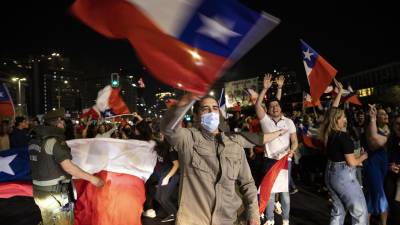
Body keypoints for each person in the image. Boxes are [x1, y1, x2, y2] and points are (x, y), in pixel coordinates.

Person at [161, 94, 261, 225]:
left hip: (229, 219)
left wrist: (253, 214)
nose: (211, 112)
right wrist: (183, 103)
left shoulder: (234, 142)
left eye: (214, 108)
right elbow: (168, 129)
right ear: (196, 116)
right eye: (205, 109)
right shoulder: (187, 139)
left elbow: (247, 183)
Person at [28, 108, 104, 225]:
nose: (63, 123)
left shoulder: (34, 140)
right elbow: (68, 167)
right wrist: (93, 179)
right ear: (58, 121)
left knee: (49, 221)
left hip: (40, 192)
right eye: (62, 120)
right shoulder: (54, 142)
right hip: (55, 194)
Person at [320, 80, 368, 225]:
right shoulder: (343, 137)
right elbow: (352, 162)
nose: (345, 119)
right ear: (338, 120)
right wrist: (364, 156)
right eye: (343, 117)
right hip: (343, 176)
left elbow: (332, 112)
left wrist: (340, 93)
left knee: (338, 211)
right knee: (360, 212)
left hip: (330, 174)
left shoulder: (328, 132)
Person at [255, 74, 298, 225]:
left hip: (286, 161)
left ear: (281, 108)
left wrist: (292, 150)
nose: (275, 108)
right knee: (270, 192)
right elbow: (257, 105)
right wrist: (265, 89)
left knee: (285, 194)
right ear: (268, 110)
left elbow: (295, 141)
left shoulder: (289, 122)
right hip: (269, 161)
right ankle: (270, 220)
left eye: (277, 106)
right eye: (272, 106)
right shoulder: (265, 121)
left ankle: (285, 220)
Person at [364, 105, 390, 225]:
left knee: (372, 195)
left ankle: (364, 222)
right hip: (373, 165)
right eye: (382, 114)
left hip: (384, 165)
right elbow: (373, 143)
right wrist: (372, 119)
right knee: (379, 193)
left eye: (386, 114)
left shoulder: (390, 129)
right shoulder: (371, 127)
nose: (385, 115)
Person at [385, 115, 400, 224]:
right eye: (398, 124)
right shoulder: (390, 139)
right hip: (390, 174)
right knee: (391, 201)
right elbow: (384, 156)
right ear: (393, 125)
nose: (399, 126)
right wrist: (389, 166)